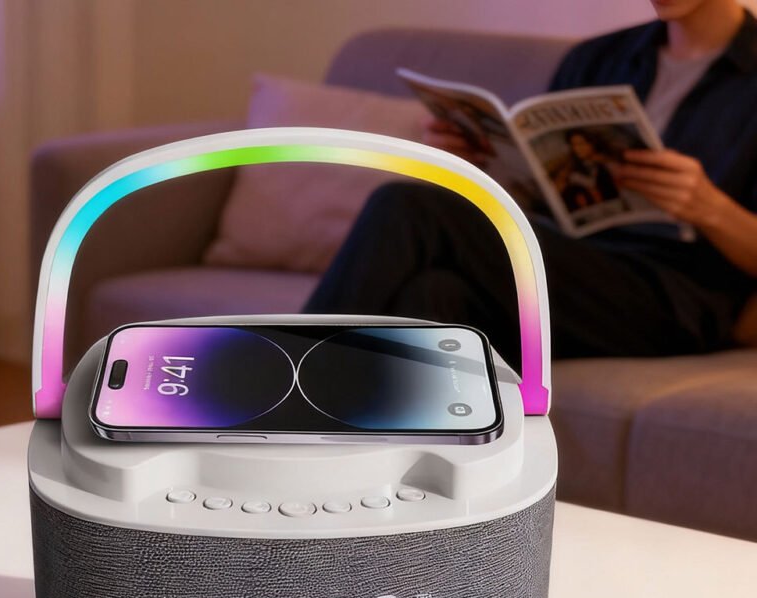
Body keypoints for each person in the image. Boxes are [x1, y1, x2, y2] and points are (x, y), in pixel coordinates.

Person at [303, 0, 757, 374]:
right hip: (572, 262)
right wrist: (483, 164)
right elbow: (545, 200)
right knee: (433, 295)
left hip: (671, 296)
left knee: (409, 205)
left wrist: (709, 207)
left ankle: (284, 379)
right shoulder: (596, 59)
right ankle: (354, 444)